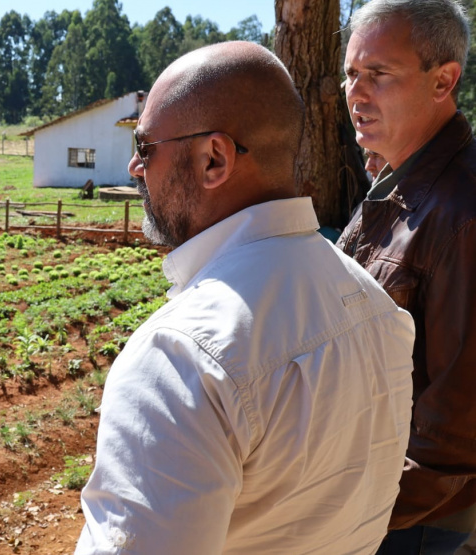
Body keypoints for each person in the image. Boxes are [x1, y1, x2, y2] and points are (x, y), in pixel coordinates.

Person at [75, 41, 415, 555]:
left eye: (145, 148)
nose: (133, 168)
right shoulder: (377, 307)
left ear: (214, 159)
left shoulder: (181, 358)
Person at [338, 1, 476, 553]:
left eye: (379, 74)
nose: (356, 92)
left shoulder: (462, 212)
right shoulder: (397, 185)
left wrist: (348, 515)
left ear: (443, 80)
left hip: (416, 521)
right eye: (351, 74)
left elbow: (456, 432)